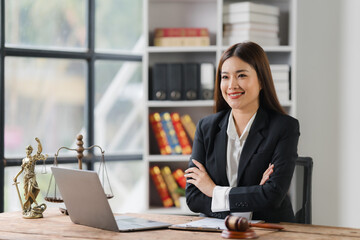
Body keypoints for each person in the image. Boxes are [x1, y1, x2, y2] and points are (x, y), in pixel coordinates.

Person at [185, 42, 300, 223]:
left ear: (261, 80)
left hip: (269, 230)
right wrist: (253, 196)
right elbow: (193, 198)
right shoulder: (206, 128)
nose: (231, 85)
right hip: (216, 230)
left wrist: (213, 191)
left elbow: (273, 195)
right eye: (225, 77)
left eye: (241, 75)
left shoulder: (284, 127)